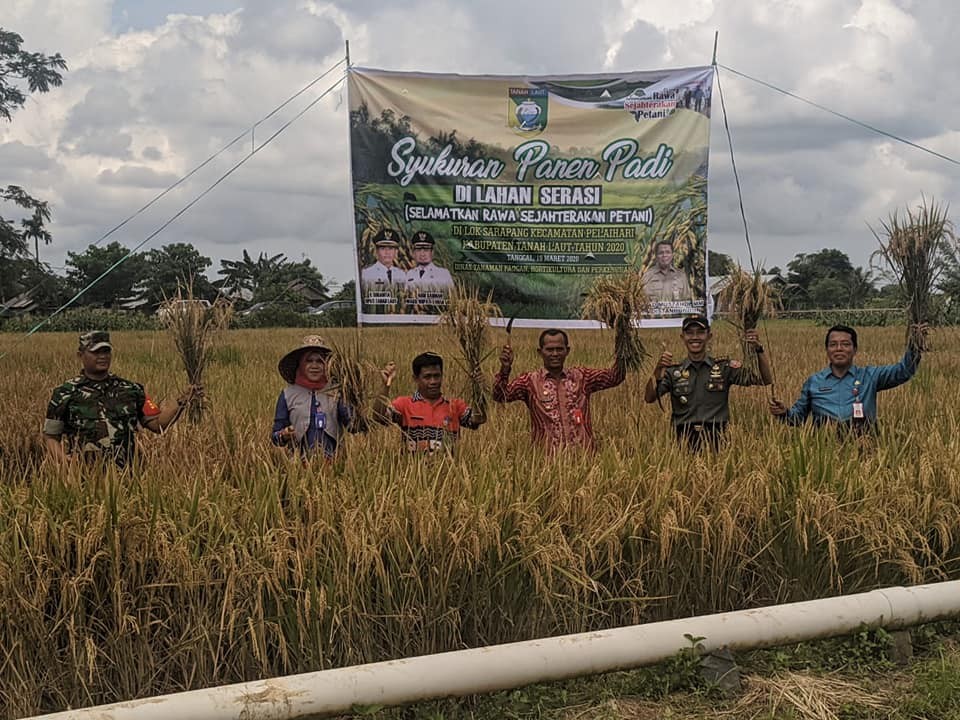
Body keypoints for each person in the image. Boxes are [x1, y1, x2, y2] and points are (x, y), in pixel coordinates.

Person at [43, 331, 200, 468]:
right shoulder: (65, 393)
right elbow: (51, 437)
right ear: (80, 355)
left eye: (106, 351)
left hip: (127, 476)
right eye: (96, 352)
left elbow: (158, 424)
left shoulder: (132, 390)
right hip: (85, 477)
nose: (102, 356)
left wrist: (182, 401)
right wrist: (65, 461)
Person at [645, 316, 773, 451]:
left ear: (709, 336)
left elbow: (765, 380)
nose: (695, 337)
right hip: (683, 440)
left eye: (700, 332)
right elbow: (649, 397)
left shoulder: (724, 368)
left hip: (718, 438)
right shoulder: (673, 372)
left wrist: (759, 350)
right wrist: (657, 369)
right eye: (689, 333)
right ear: (682, 337)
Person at [769, 323, 925, 430]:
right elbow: (797, 418)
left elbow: (903, 371)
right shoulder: (814, 382)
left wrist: (915, 346)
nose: (839, 349)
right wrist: (784, 413)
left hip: (863, 447)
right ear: (827, 350)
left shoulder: (869, 376)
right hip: (826, 451)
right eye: (833, 344)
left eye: (845, 344)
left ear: (855, 349)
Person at [494, 328, 625, 452]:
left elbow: (615, 377)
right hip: (546, 464)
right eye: (550, 350)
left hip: (584, 459)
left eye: (559, 349)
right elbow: (501, 396)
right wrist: (505, 369)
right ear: (540, 352)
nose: (555, 354)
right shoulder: (530, 381)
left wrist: (623, 338)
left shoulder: (582, 377)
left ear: (567, 351)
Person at [272, 335, 362, 460]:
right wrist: (285, 434)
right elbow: (276, 438)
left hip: (333, 464)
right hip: (298, 466)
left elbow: (354, 427)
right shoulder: (288, 395)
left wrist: (355, 398)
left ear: (327, 365)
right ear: (301, 364)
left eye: (320, 361)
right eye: (309, 360)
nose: (314, 366)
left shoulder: (337, 392)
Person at [374, 352, 485, 452]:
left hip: (450, 472)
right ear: (416, 379)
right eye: (427, 377)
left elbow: (478, 419)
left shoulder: (455, 406)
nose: (433, 382)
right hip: (413, 473)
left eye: (437, 376)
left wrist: (478, 388)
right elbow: (379, 417)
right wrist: (385, 385)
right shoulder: (405, 404)